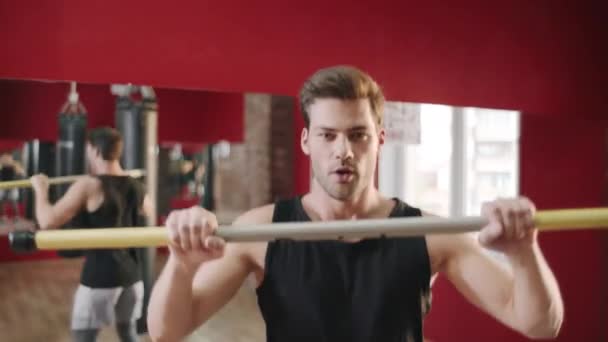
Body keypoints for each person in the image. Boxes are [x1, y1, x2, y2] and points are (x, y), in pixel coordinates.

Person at [147, 66, 564, 342]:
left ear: (379, 139)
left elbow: (540, 323)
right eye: (328, 135)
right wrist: (182, 266)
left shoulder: (429, 234)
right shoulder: (262, 232)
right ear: (307, 141)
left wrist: (524, 251)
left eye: (358, 134)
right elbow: (167, 331)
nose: (343, 151)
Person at [31, 127, 152, 342]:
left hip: (100, 279)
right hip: (132, 278)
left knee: (82, 338)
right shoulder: (138, 186)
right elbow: (147, 212)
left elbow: (47, 221)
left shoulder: (89, 185)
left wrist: (40, 190)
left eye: (88, 151)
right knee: (129, 333)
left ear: (95, 150)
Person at [0, 151, 25, 222]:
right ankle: (4, 216)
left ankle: (17, 216)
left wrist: (16, 167)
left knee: (14, 201)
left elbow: (22, 173)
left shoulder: (14, 165)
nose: (5, 159)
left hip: (13, 186)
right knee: (2, 201)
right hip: (3, 186)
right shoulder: (1, 165)